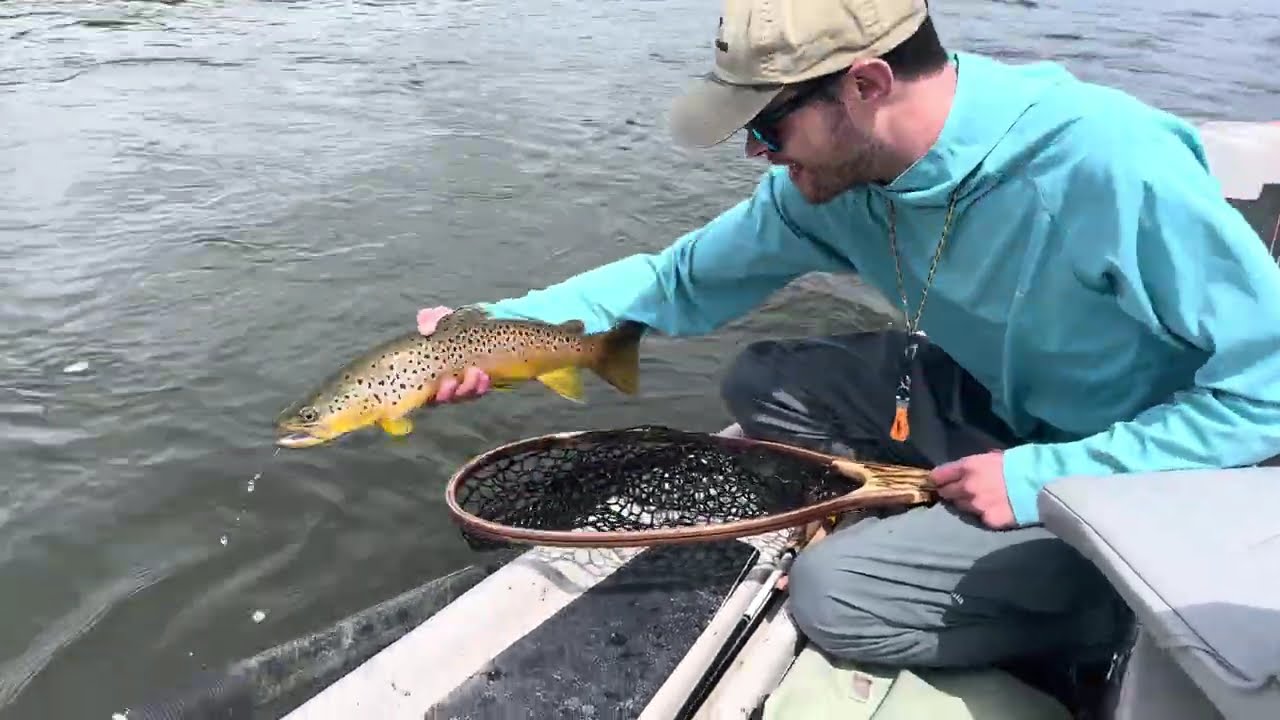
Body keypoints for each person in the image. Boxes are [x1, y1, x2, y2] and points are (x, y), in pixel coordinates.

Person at [417, 0, 1280, 693]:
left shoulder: (1108, 162)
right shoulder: (830, 186)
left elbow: (1268, 390)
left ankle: (1106, 615)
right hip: (1009, 404)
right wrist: (491, 328)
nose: (757, 154)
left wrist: (1033, 482)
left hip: (1160, 473)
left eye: (769, 127)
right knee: (764, 380)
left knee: (835, 598)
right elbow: (676, 281)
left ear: (864, 84)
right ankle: (954, 519)